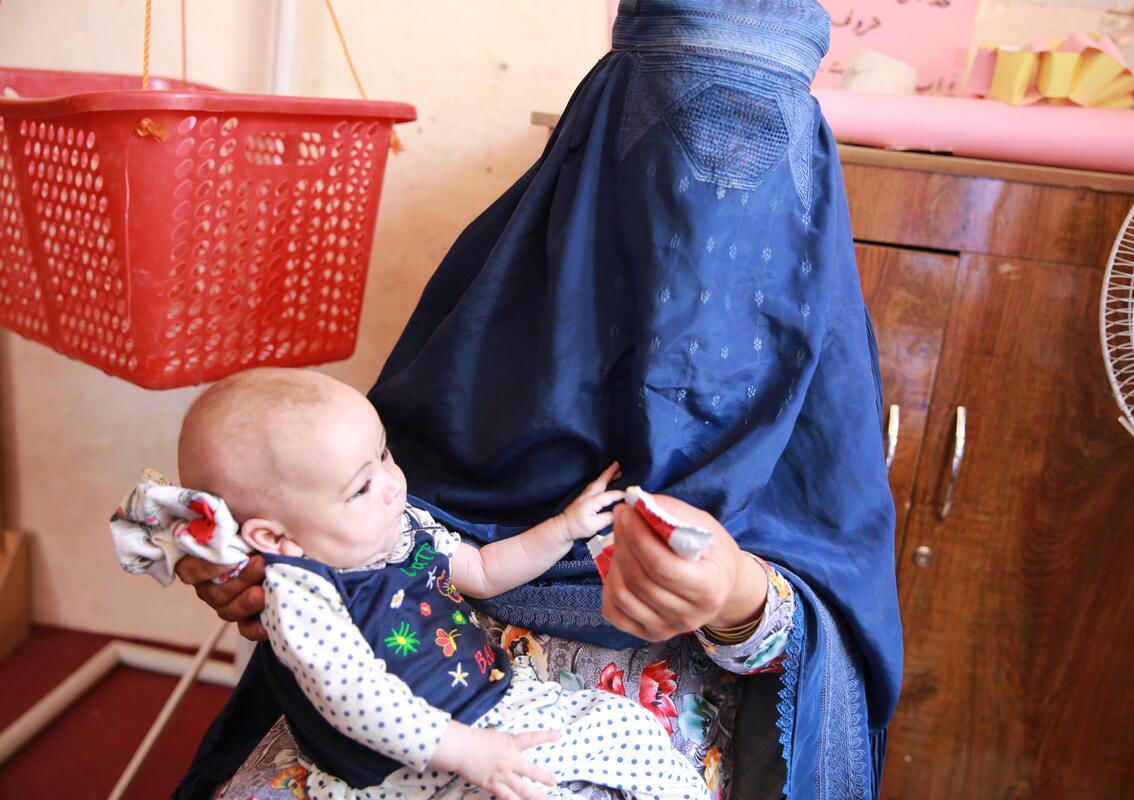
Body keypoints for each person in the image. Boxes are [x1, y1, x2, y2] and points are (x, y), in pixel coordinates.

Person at [178, 1, 902, 798]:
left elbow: (840, 614)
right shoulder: (489, 320)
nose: (706, 222)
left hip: (662, 715)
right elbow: (330, 526)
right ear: (591, 160)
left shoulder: (821, 377)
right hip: (419, 689)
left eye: (757, 155)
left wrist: (737, 597)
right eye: (673, 149)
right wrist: (266, 566)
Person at [136, 367, 705, 800]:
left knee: (624, 723)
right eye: (360, 487)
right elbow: (359, 701)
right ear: (277, 538)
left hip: (489, 702)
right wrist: (471, 752)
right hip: (409, 760)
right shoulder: (302, 597)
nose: (392, 484)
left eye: (384, 454)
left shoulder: (399, 527)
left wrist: (563, 530)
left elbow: (482, 572)